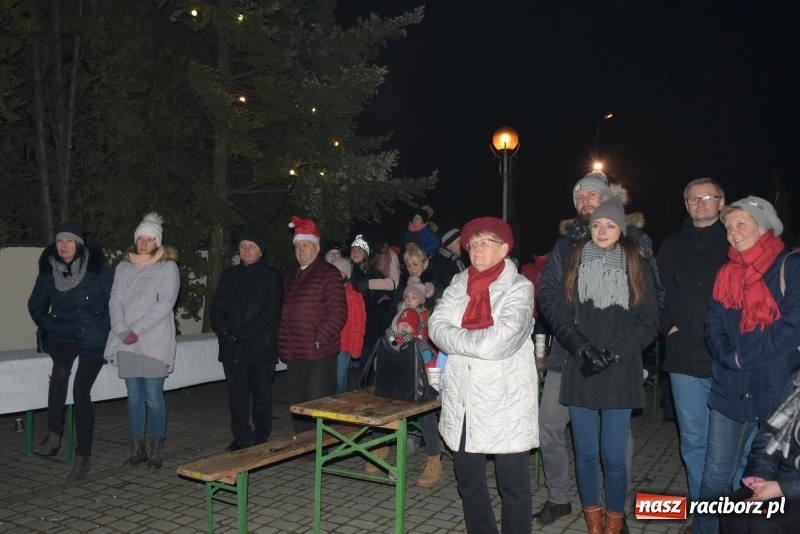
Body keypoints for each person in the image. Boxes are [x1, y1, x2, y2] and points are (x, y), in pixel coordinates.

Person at [535, 170, 662, 528]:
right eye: (595, 224)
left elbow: (649, 317)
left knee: (615, 455)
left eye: (609, 223)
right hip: (579, 366)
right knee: (586, 453)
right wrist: (582, 349)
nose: (601, 229)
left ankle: (614, 519)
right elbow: (558, 310)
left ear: (621, 226)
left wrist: (617, 354)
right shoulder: (574, 257)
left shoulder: (636, 259)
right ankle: (592, 521)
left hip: (619, 370)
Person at [695, 196, 798, 534]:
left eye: (741, 224)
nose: (733, 233)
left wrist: (744, 357)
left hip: (777, 393)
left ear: (764, 225)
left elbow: (793, 324)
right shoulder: (727, 272)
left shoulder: (789, 265)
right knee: (715, 475)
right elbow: (712, 322)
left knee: (758, 477)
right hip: (729, 388)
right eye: (728, 227)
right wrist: (727, 356)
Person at [429, 216, 537, 534]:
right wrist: (471, 341)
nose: (475, 248)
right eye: (471, 244)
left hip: (506, 400)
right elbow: (436, 327)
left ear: (503, 248)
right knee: (469, 480)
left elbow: (498, 344)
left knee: (513, 486)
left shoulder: (519, 288)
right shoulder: (458, 284)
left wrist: (457, 339)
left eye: (484, 242)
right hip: (463, 399)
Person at [656, 179, 729, 514]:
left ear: (721, 202)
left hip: (727, 359)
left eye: (708, 198)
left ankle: (727, 511)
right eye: (693, 199)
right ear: (685, 205)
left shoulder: (734, 240)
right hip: (684, 356)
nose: (701, 204)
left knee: (727, 444)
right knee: (694, 441)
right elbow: (654, 292)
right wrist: (665, 325)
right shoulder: (671, 244)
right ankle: (703, 515)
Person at [27, 223, 113, 482]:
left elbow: (115, 302)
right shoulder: (48, 273)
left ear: (79, 245)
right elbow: (35, 304)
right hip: (62, 334)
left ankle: (83, 457)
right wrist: (49, 323)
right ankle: (53, 435)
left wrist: (104, 328)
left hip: (93, 336)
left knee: (80, 390)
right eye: (60, 240)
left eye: (69, 241)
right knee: (61, 370)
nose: (63, 245)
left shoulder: (97, 271)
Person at [104, 212, 180, 470]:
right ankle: (137, 448)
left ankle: (157, 447)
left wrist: (137, 328)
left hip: (154, 339)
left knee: (153, 397)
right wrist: (121, 328)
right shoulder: (123, 267)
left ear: (157, 242)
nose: (144, 243)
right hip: (127, 340)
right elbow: (116, 300)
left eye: (149, 239)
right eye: (140, 238)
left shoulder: (167, 267)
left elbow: (166, 302)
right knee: (134, 395)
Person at [211, 232, 283, 451]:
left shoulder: (271, 276)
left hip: (259, 346)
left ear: (260, 251)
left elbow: (269, 312)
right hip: (231, 347)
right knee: (237, 396)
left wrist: (242, 333)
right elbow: (216, 307)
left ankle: (260, 435)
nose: (246, 250)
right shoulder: (228, 275)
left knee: (261, 394)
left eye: (252, 246)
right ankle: (241, 436)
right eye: (243, 246)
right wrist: (224, 332)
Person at [278, 215, 347, 433]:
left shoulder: (328, 273)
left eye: (306, 245)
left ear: (316, 248)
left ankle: (318, 449)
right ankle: (302, 446)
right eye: (298, 246)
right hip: (294, 351)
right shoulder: (290, 276)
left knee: (317, 403)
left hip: (318, 352)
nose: (301, 250)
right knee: (298, 403)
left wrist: (318, 339)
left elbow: (338, 312)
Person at [718, 375, 800, 534]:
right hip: (785, 477)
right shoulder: (794, 380)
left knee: (765, 522)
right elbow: (768, 434)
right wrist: (759, 476)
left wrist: (783, 488)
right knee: (732, 509)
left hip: (792, 485)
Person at [378, 306, 443, 487]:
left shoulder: (422, 345)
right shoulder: (389, 343)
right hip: (394, 392)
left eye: (409, 325)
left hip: (415, 393)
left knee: (426, 414)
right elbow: (379, 368)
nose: (404, 328)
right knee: (378, 407)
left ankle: (434, 458)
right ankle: (378, 448)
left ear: (416, 330)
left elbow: (430, 367)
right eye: (402, 324)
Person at [349, 234, 396, 359]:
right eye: (353, 249)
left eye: (359, 249)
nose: (355, 252)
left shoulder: (375, 272)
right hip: (355, 320)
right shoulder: (348, 271)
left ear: (366, 253)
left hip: (374, 323)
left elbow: (387, 294)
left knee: (370, 359)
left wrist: (383, 304)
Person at [331, 257, 366, 394]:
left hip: (344, 345)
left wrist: (356, 348)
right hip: (330, 342)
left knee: (340, 378)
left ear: (346, 274)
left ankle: (340, 408)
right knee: (329, 378)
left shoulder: (354, 296)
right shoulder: (329, 292)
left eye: (339, 272)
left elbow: (359, 323)